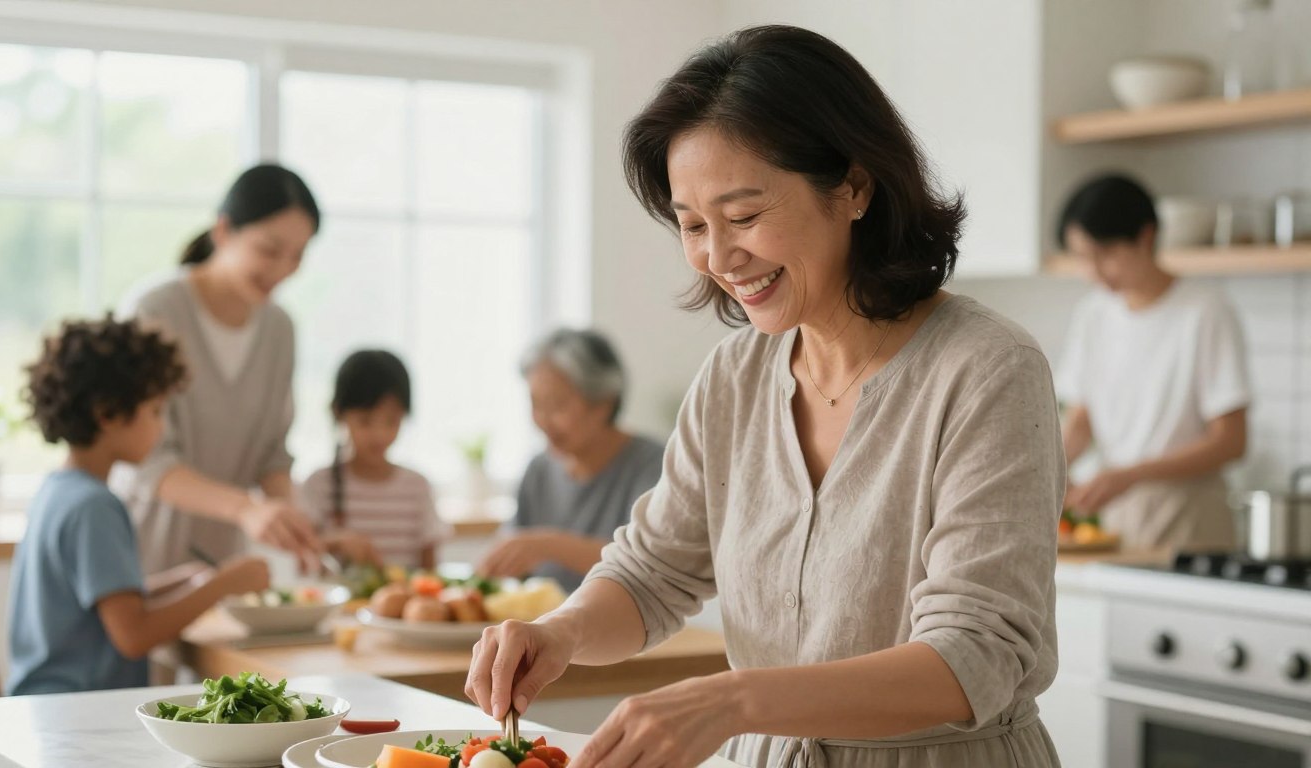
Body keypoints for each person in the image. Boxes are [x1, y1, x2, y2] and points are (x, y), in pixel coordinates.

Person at [465, 25, 1066, 768]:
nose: (719, 256)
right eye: (692, 225)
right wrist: (561, 632)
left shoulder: (986, 370)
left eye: (744, 216)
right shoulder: (734, 378)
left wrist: (731, 700)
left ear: (852, 186)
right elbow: (654, 573)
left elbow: (977, 653)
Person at [7, 316, 270, 695]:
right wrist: (223, 586)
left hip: (45, 705)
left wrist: (189, 581)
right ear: (108, 413)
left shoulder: (59, 490)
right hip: (73, 717)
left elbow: (103, 606)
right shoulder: (94, 507)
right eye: (156, 411)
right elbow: (133, 635)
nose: (161, 428)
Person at [114, 164, 334, 573]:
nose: (283, 268)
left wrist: (290, 520)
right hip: (136, 559)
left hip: (220, 569)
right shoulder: (154, 311)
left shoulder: (280, 330)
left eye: (298, 255)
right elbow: (143, 460)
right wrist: (247, 509)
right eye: (269, 249)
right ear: (223, 231)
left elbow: (271, 456)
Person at [1057, 174, 1249, 549]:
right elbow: (1083, 417)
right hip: (1116, 517)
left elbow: (1231, 441)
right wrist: (1052, 471)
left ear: (1146, 237)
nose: (1094, 272)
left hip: (1190, 517)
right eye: (1082, 257)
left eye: (1105, 254)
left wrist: (1131, 475)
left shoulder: (1205, 310)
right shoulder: (1093, 314)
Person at [477, 329, 663, 592]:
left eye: (556, 406)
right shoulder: (538, 469)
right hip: (543, 627)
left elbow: (651, 563)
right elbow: (513, 557)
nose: (542, 420)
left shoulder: (654, 465)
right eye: (535, 404)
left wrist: (547, 545)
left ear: (603, 404)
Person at [298, 350, 450, 570]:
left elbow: (429, 572)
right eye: (365, 421)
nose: (379, 434)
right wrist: (336, 542)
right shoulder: (319, 484)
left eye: (391, 421)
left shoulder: (417, 486)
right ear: (338, 413)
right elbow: (305, 562)